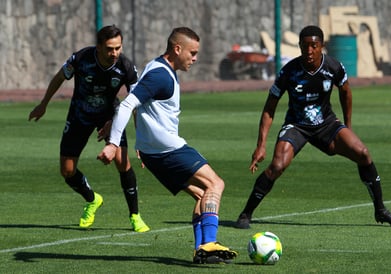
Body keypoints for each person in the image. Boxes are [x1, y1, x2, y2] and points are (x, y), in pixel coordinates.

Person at [235, 25, 391, 229]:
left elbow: (346, 93)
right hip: (296, 126)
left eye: (313, 46)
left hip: (326, 124)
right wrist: (261, 145)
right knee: (277, 166)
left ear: (321, 46)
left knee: (363, 153)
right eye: (304, 46)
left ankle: (381, 210)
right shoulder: (289, 72)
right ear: (299, 46)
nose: (309, 51)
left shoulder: (333, 67)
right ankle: (245, 214)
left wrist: (347, 126)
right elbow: (269, 108)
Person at [97, 27, 238, 264]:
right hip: (168, 150)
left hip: (154, 154)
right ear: (177, 49)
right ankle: (209, 242)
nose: (195, 58)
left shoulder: (156, 68)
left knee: (202, 194)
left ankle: (200, 251)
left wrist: (119, 127)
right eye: (192, 53)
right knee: (216, 184)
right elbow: (127, 104)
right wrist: (113, 143)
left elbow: (138, 104)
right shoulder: (160, 75)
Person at [28, 25, 150, 232]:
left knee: (122, 161)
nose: (115, 53)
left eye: (118, 48)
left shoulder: (125, 67)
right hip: (79, 115)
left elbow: (135, 103)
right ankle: (92, 199)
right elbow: (59, 77)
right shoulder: (81, 58)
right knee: (67, 171)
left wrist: (142, 138)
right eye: (110, 49)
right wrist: (43, 104)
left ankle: (135, 216)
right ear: (99, 47)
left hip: (109, 117)